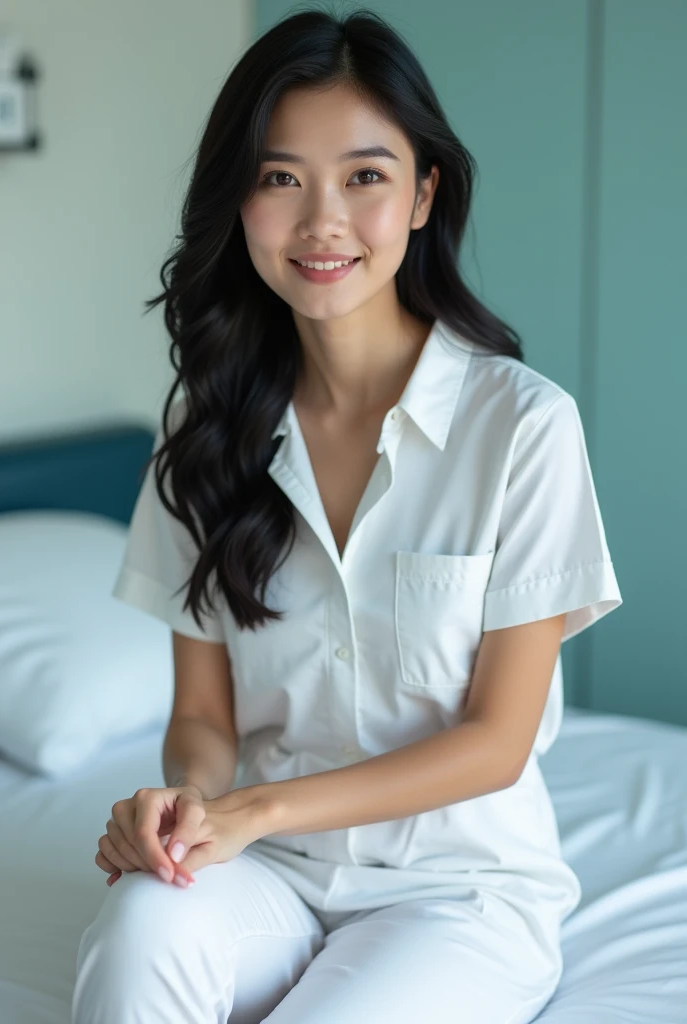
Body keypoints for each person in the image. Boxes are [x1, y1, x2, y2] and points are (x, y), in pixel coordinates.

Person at [71, 7, 623, 1023]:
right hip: (266, 871)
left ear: (423, 195)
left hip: (457, 890)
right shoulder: (206, 434)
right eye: (280, 178)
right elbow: (202, 718)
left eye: (364, 176)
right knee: (136, 936)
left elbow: (497, 740)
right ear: (238, 202)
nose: (320, 220)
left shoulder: (523, 427)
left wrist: (254, 807)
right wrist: (188, 807)